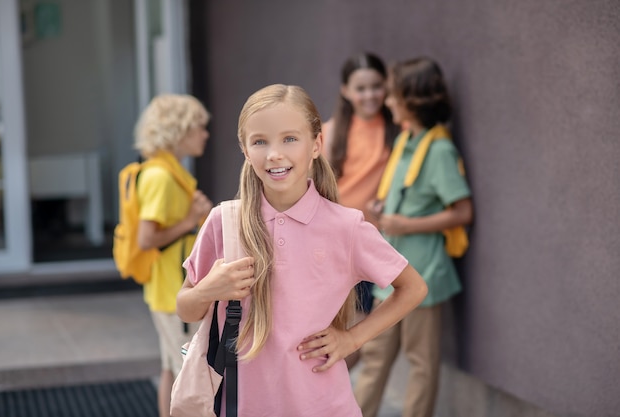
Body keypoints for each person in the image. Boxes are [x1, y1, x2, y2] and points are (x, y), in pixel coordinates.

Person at [176, 84, 428, 416]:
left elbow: (413, 288)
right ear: (245, 150)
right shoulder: (224, 221)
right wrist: (209, 289)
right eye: (260, 141)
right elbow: (185, 308)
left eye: (290, 139)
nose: (274, 154)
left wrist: (352, 340)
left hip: (324, 406)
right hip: (241, 406)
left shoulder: (346, 227)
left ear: (316, 145)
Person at [353, 57, 474, 417]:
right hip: (389, 275)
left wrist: (405, 225)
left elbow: (463, 211)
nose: (387, 101)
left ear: (412, 99)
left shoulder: (438, 151)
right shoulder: (407, 140)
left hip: (423, 276)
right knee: (374, 356)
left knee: (420, 361)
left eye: (393, 95)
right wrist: (382, 209)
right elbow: (406, 195)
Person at [133, 94, 214, 417]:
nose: (205, 134)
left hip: (167, 291)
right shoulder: (161, 177)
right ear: (178, 130)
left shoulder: (167, 172)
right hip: (171, 294)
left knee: (171, 367)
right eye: (199, 127)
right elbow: (146, 238)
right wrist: (190, 221)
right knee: (189, 373)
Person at [322, 52, 399, 368]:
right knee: (336, 331)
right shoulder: (330, 132)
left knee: (363, 333)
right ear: (345, 91)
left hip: (375, 243)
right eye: (361, 88)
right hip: (336, 244)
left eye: (376, 86)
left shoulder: (397, 129)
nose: (369, 95)